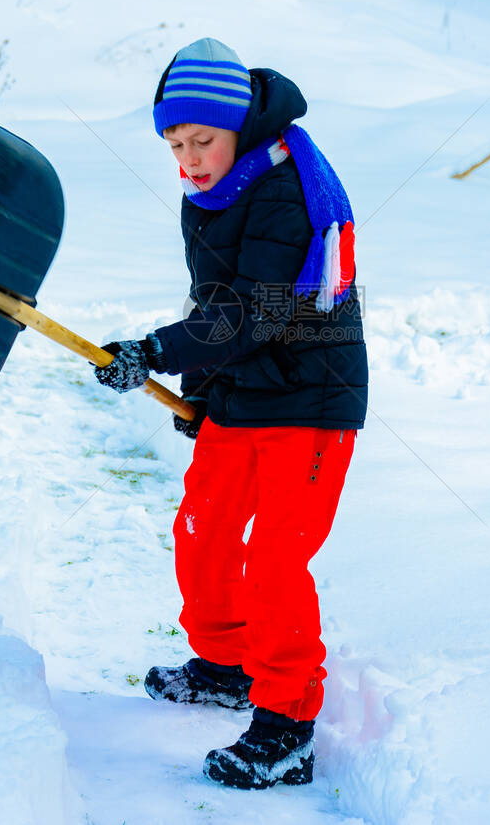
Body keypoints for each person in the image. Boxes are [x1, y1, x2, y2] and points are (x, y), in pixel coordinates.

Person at [94, 38, 368, 790]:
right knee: (205, 525)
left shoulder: (284, 188)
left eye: (202, 140)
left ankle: (287, 723)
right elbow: (220, 305)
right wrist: (206, 387)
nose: (189, 158)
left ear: (240, 123)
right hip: (247, 385)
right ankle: (223, 661)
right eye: (175, 145)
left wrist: (155, 349)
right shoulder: (210, 189)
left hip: (311, 396)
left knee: (276, 558)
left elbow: (256, 312)